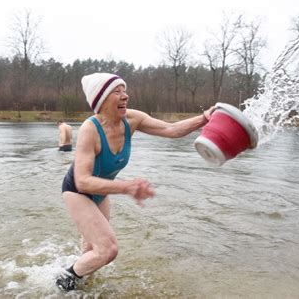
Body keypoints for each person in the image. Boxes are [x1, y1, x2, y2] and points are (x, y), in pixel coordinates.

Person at [56, 73, 215, 291]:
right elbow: (82, 181)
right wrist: (126, 186)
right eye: (117, 92)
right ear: (100, 99)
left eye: (125, 90)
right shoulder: (89, 129)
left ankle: (81, 288)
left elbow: (172, 130)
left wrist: (204, 118)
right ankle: (63, 281)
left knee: (92, 249)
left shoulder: (133, 119)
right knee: (108, 250)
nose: (125, 96)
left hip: (101, 191)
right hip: (78, 191)